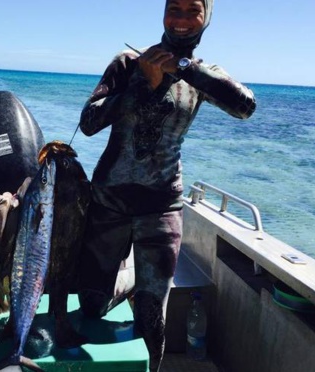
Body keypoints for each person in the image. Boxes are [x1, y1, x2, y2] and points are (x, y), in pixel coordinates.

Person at [76, 0, 256, 370]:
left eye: (194, 11)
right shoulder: (127, 63)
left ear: (207, 18)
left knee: (151, 318)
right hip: (108, 201)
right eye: (175, 8)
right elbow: (89, 122)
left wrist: (185, 68)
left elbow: (245, 107)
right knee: (91, 305)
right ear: (162, 13)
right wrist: (143, 86)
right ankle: (124, 283)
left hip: (163, 205)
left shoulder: (203, 75)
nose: (183, 20)